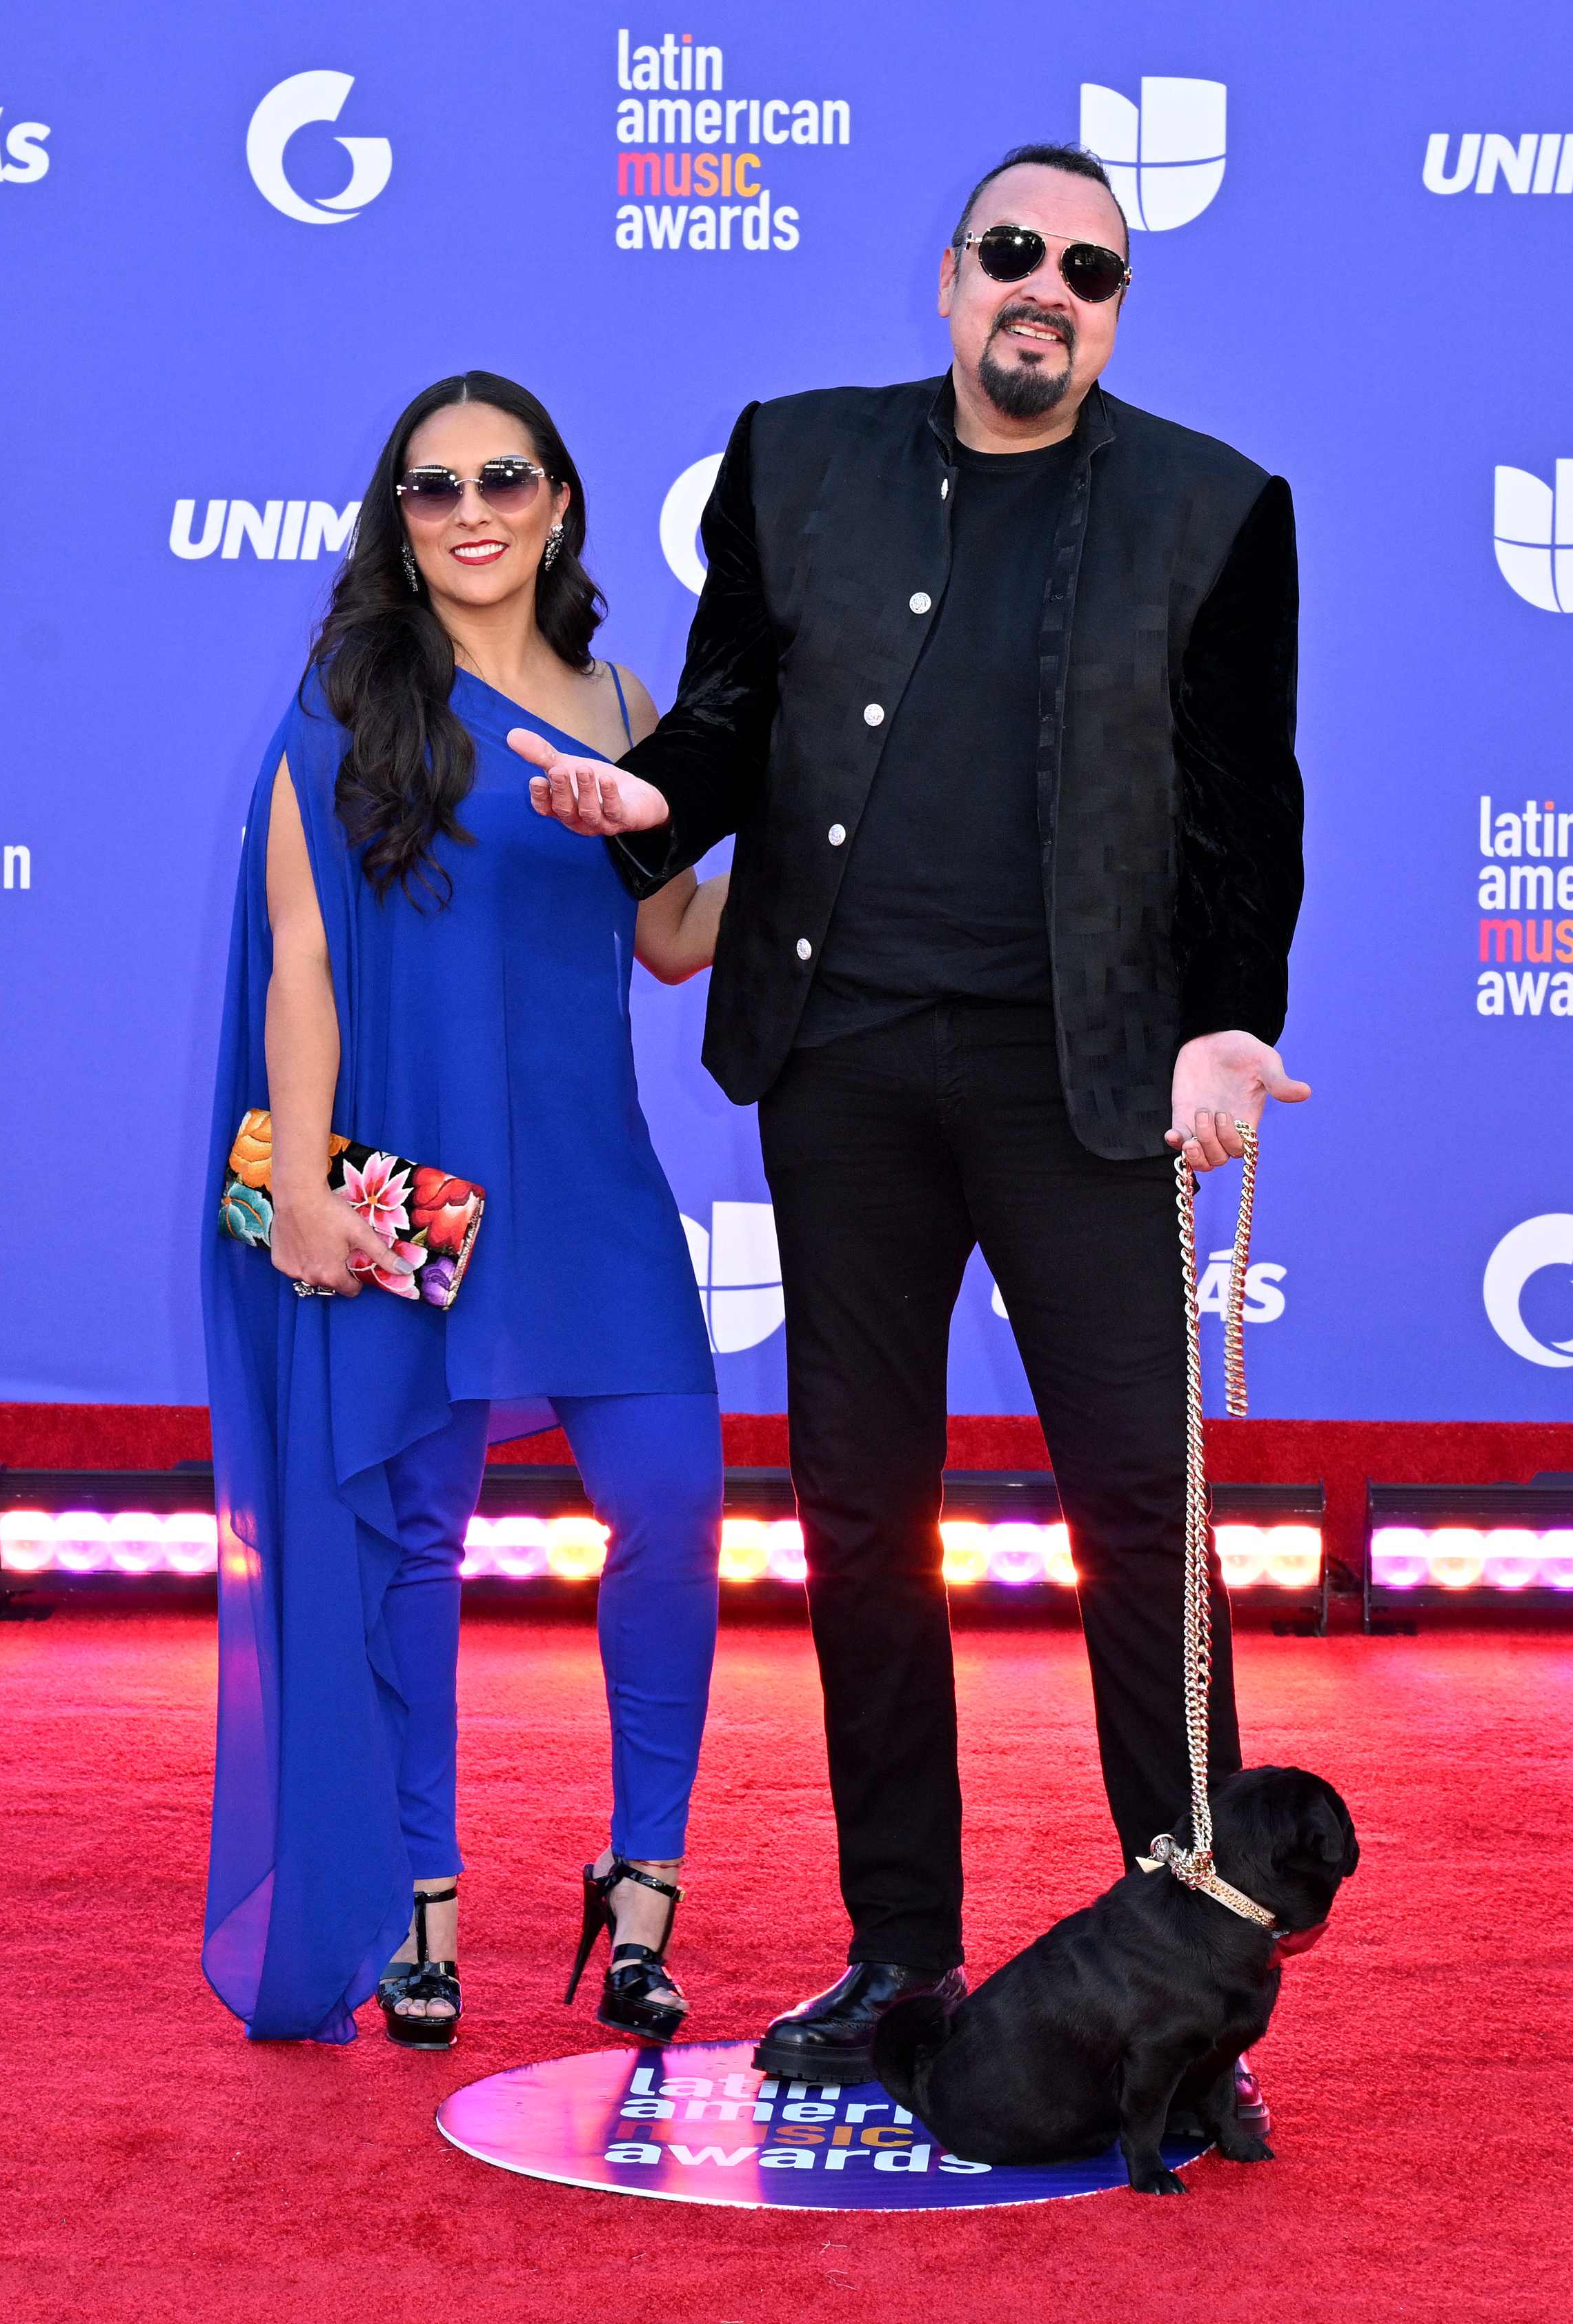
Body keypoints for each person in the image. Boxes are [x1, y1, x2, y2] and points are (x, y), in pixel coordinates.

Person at [513, 144, 1309, 2112]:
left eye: (1090, 273)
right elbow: (727, 717)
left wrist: (1226, 1026)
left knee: (1149, 1519)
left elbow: (1244, 814)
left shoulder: (1216, 511)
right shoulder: (795, 459)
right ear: (946, 279)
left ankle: (1188, 1982)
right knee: (868, 1522)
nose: (1047, 292)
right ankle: (895, 1960)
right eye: (1013, 256)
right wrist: (647, 804)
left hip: (1085, 1082)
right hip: (845, 1068)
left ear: (1116, 312)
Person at [203, 371, 731, 2052]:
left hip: (595, 1189)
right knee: (414, 1546)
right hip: (417, 1195)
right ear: (400, 520)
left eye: (505, 477)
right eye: (433, 489)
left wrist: (798, 829)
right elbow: (297, 954)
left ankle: (640, 1892)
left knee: (674, 1507)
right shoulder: (353, 696)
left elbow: (670, 940)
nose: (473, 509)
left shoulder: (621, 694)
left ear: (562, 500)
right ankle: (420, 1905)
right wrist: (295, 1181)